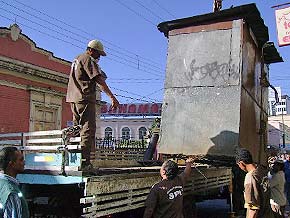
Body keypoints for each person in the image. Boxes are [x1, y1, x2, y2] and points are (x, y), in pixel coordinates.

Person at [66, 39, 119, 168]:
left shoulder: (77, 58)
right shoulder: (88, 59)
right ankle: (84, 163)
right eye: (98, 54)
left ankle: (74, 161)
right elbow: (99, 79)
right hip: (84, 98)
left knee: (77, 129)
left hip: (73, 98)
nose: (99, 57)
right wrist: (112, 97)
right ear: (91, 50)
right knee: (88, 129)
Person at [235, 148, 273, 218]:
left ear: (241, 163)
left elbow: (253, 209)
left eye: (238, 165)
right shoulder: (261, 170)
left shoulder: (250, 178)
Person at [0, 147, 29, 218]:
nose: (24, 162)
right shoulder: (12, 192)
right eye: (21, 160)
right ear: (11, 164)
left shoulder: (2, 183)